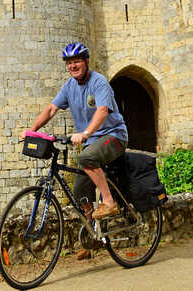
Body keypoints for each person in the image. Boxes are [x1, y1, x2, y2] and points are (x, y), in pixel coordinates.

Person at [23, 42, 128, 259]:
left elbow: (102, 110)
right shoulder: (69, 87)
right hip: (92, 141)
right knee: (80, 191)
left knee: (87, 156)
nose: (73, 66)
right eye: (69, 63)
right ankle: (94, 237)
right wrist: (32, 130)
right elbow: (52, 109)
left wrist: (87, 132)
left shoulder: (99, 83)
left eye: (77, 61)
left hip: (113, 136)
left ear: (86, 61)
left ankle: (109, 202)